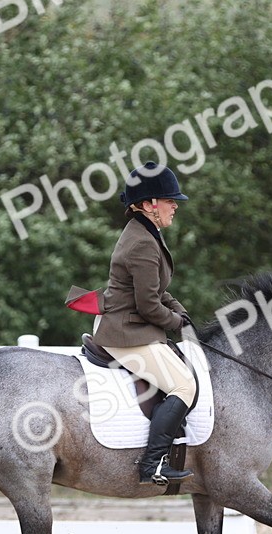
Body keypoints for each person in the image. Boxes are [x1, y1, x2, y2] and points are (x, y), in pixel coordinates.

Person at [90, 162, 198, 485]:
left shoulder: (147, 233)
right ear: (151, 204)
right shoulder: (141, 243)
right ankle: (153, 465)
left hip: (132, 324)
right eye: (169, 200)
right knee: (185, 385)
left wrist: (183, 314)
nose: (175, 205)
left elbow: (158, 291)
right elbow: (149, 305)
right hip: (126, 332)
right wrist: (177, 322)